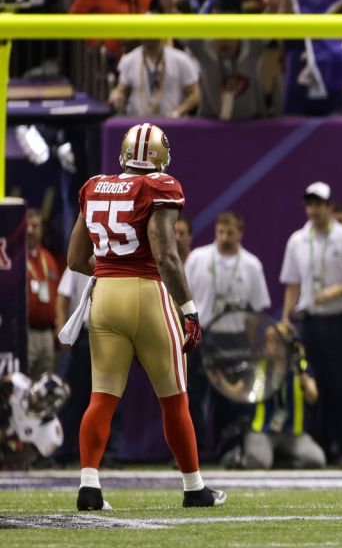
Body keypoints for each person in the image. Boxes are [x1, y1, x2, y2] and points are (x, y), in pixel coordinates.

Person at [62, 123, 225, 509]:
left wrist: (110, 273)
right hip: (148, 292)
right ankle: (193, 487)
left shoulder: (94, 186)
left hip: (104, 296)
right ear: (160, 156)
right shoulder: (160, 186)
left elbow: (73, 259)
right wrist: (189, 310)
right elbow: (167, 255)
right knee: (174, 398)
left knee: (101, 396)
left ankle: (89, 486)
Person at [279, 181, 342, 468]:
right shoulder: (298, 240)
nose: (314, 210)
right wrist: (286, 318)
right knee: (309, 385)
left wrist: (337, 290)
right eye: (310, 204)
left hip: (340, 321)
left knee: (341, 386)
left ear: (331, 206)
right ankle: (317, 450)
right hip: (309, 322)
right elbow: (292, 283)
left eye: (319, 204)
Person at [183, 211, 271, 458]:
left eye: (230, 232)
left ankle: (229, 451)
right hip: (201, 336)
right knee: (194, 395)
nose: (224, 237)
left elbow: (255, 311)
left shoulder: (252, 265)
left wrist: (251, 345)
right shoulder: (198, 258)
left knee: (231, 399)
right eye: (220, 232)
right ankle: (192, 452)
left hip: (234, 338)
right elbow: (183, 298)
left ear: (240, 234)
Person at [239, 325, 325, 470]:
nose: (273, 346)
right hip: (263, 431)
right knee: (258, 462)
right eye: (269, 341)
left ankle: (279, 460)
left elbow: (312, 397)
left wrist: (303, 377)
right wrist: (221, 381)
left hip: (293, 433)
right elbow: (239, 391)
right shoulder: (259, 366)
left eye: (278, 341)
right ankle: (241, 458)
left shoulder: (301, 366)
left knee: (316, 460)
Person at [110, 40, 202, 118]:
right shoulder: (129, 60)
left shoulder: (181, 59)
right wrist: (117, 94)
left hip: (172, 124)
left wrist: (178, 112)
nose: (149, 36)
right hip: (139, 125)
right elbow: (122, 89)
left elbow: (195, 94)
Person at [25, 208, 60, 377]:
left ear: (41, 230)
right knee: (23, 381)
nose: (30, 231)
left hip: (47, 334)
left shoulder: (49, 259)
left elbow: (58, 295)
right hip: (26, 332)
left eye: (35, 226)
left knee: (44, 386)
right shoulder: (14, 260)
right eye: (27, 226)